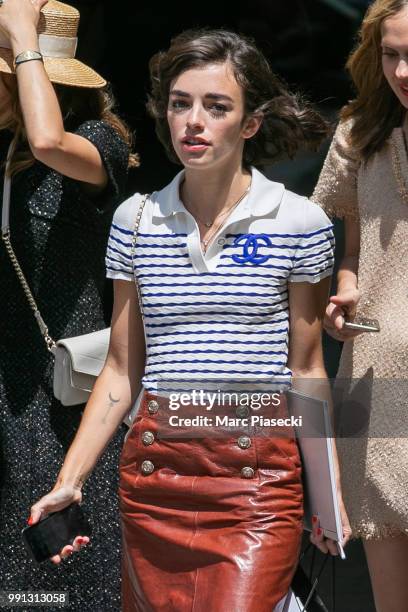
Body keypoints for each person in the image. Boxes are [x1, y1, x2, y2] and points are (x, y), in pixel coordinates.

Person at [30, 28, 350, 611]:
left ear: (250, 123)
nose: (193, 122)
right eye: (181, 104)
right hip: (156, 472)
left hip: (256, 476)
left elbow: (306, 371)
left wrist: (326, 497)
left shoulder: (298, 222)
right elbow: (123, 371)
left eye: (216, 106)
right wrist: (69, 479)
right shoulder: (137, 218)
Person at [0, 1, 137, 610]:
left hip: (57, 393)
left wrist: (22, 35)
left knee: (53, 573)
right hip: (5, 384)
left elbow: (47, 140)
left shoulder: (95, 144)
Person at [312, 1, 408, 609]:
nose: (403, 71)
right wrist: (342, 293)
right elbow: (351, 248)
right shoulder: (359, 136)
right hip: (380, 369)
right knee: (388, 580)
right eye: (392, 54)